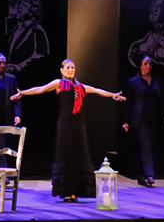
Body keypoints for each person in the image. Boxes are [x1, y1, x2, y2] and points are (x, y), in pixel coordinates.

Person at [11, 59, 125, 202]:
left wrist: (112, 95)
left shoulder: (79, 86)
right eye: (68, 67)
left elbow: (96, 90)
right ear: (62, 70)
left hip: (79, 123)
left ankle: (76, 192)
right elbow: (40, 89)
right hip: (65, 123)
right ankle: (67, 192)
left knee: (78, 154)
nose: (71, 70)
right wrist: (23, 93)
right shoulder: (59, 84)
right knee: (66, 154)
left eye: (73, 68)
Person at [121, 56, 164, 187]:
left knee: (146, 146)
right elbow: (129, 103)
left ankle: (140, 175)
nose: (148, 66)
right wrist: (126, 121)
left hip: (153, 119)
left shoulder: (157, 82)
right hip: (139, 119)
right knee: (146, 145)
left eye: (150, 64)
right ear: (140, 66)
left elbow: (162, 101)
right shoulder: (133, 82)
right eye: (145, 63)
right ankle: (149, 175)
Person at [5, 0, 49, 73]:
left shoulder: (37, 29)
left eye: (24, 6)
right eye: (20, 4)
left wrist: (19, 66)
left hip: (28, 74)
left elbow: (41, 54)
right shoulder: (16, 28)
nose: (20, 7)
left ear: (32, 11)